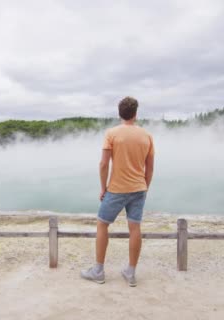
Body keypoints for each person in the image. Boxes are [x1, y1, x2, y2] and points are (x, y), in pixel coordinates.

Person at [81, 96, 155, 287]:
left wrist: (103, 187)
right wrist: (144, 187)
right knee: (135, 228)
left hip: (116, 189)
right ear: (136, 114)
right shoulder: (146, 136)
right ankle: (130, 272)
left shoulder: (112, 133)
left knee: (102, 224)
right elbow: (150, 168)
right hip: (139, 188)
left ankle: (98, 271)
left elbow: (104, 164)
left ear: (119, 113)